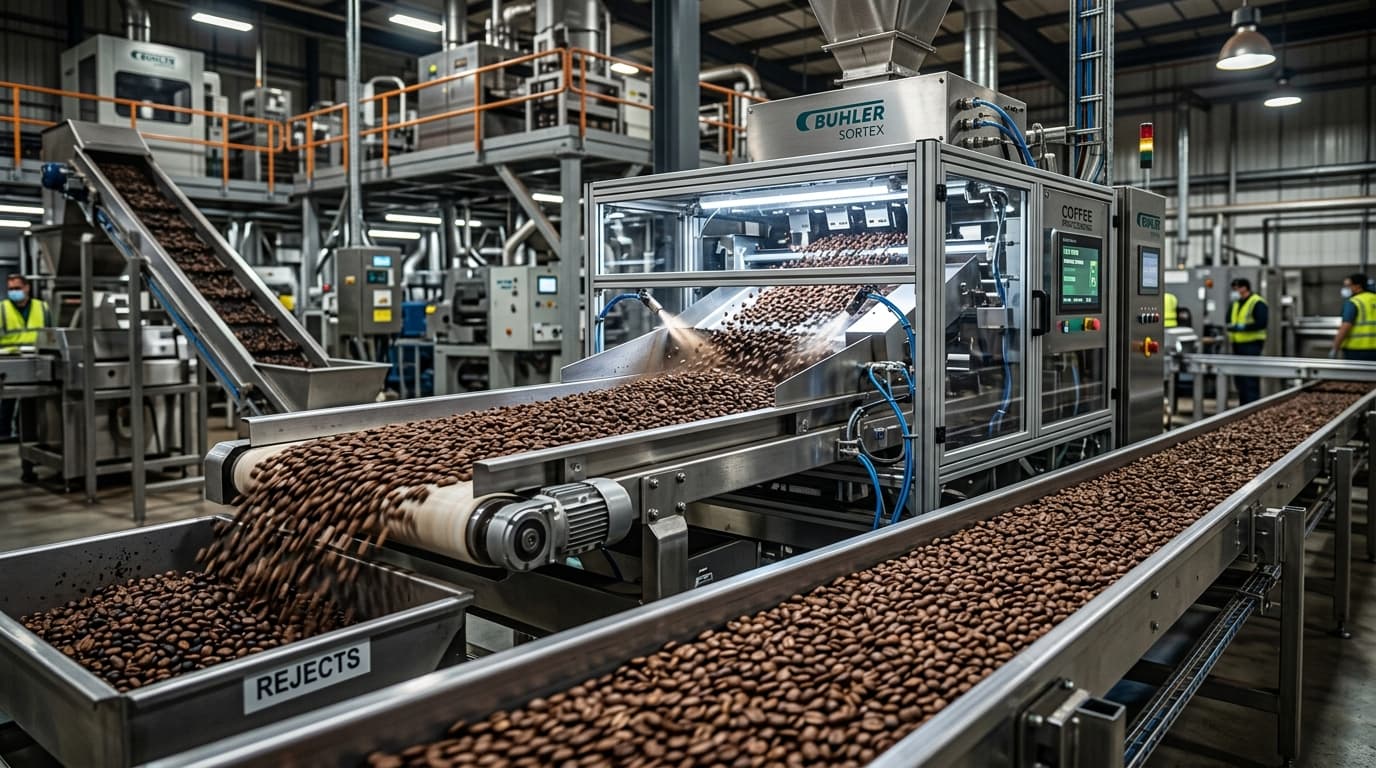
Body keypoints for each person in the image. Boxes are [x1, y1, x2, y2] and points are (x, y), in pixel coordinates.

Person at [0, 275, 48, 480]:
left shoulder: (42, 307)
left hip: (37, 361)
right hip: (10, 361)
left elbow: (50, 333)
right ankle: (5, 435)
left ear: (27, 288)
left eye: (17, 287)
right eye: (11, 288)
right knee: (7, 403)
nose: (14, 292)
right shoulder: (2, 308)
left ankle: (29, 447)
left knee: (33, 409)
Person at [1226, 277, 1267, 405]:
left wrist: (1244, 328)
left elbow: (1262, 323)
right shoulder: (1235, 303)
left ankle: (1252, 408)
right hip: (1237, 345)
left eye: (1237, 288)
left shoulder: (1257, 302)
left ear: (1244, 288)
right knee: (1240, 380)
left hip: (1252, 345)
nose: (1235, 291)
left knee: (1250, 379)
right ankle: (1243, 408)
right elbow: (1228, 319)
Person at [1332, 273, 1376, 361]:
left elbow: (1346, 326)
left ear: (1358, 286)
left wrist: (1335, 348)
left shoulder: (1354, 302)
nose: (1346, 289)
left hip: (1356, 350)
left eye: (1348, 286)